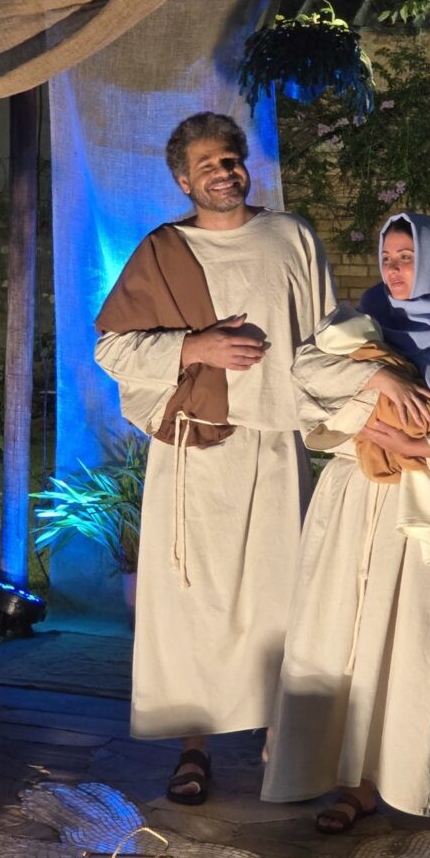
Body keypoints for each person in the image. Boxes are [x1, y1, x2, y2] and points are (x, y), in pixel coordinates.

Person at [94, 112, 334, 805]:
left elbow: (325, 337)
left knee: (281, 600)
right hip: (196, 451)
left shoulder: (291, 237)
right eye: (207, 166)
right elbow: (111, 347)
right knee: (190, 602)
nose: (224, 174)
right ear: (183, 181)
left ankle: (283, 745)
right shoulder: (164, 250)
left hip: (275, 446)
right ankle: (194, 749)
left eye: (230, 161)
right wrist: (194, 347)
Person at [261, 213, 430, 840]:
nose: (396, 270)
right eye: (388, 257)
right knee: (346, 640)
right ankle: (358, 783)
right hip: (351, 502)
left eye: (408, 258)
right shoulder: (362, 323)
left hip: (425, 508)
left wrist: (402, 438)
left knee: (422, 644)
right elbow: (304, 381)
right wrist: (377, 379)